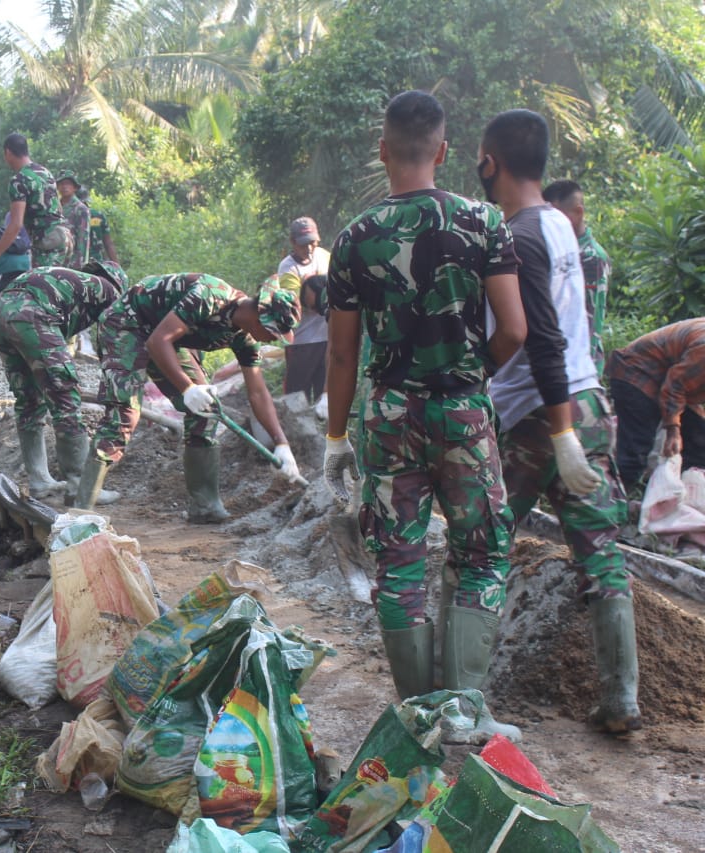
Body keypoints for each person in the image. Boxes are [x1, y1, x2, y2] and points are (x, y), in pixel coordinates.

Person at [323, 91, 528, 741]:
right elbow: (516, 329)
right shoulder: (484, 223)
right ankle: (465, 709)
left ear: (383, 151)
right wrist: (470, 379)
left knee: (400, 560)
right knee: (481, 551)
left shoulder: (354, 238)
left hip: (388, 417)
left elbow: (340, 350)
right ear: (443, 151)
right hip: (463, 410)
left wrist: (335, 438)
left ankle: (419, 719)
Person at [479, 107, 641, 734]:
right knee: (601, 551)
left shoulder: (516, 235)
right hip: (590, 405)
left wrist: (560, 432)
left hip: (538, 418)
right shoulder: (559, 224)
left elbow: (542, 340)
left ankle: (460, 689)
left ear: (490, 162)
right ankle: (621, 698)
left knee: (484, 548)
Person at [76, 273, 303, 519]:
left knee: (207, 411)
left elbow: (258, 392)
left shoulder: (246, 338)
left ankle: (205, 506)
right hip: (127, 323)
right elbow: (157, 341)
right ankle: (81, 506)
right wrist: (187, 388)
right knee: (124, 414)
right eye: (272, 332)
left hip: (167, 339)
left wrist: (282, 443)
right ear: (258, 316)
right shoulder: (210, 296)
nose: (272, 339)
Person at [0, 261, 128, 500]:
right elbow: (114, 339)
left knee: (29, 398)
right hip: (31, 315)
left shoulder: (69, 282)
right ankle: (79, 484)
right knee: (65, 396)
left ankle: (39, 480)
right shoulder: (108, 290)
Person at [606, 319, 705, 490]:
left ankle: (684, 497)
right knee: (634, 455)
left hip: (668, 381)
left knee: (700, 443)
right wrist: (673, 431)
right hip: (636, 375)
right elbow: (675, 385)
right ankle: (613, 505)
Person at [0, 133, 71, 274]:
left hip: (48, 243)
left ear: (8, 152)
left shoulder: (19, 180)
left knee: (42, 290)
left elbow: (16, 224)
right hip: (65, 238)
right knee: (60, 289)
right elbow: (58, 208)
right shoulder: (45, 172)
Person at [543, 180, 611, 371]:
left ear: (578, 213)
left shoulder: (591, 258)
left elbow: (588, 319)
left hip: (579, 367)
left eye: (557, 215)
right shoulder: (561, 247)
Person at [277, 217, 332, 404]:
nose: (309, 249)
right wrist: (313, 292)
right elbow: (294, 303)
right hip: (301, 341)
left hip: (327, 338)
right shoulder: (288, 268)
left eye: (312, 243)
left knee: (325, 394)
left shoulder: (325, 256)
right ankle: (294, 432)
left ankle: (326, 431)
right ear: (293, 242)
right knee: (296, 396)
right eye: (303, 244)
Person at [56, 169, 91, 269]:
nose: (64, 187)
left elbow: (83, 240)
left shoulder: (81, 209)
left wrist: (80, 266)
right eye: (61, 184)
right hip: (55, 260)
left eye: (68, 184)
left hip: (72, 263)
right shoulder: (53, 207)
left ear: (75, 187)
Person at [80, 187, 120, 265]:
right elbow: (108, 243)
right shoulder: (98, 215)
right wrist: (117, 266)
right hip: (97, 263)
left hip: (76, 264)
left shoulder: (68, 215)